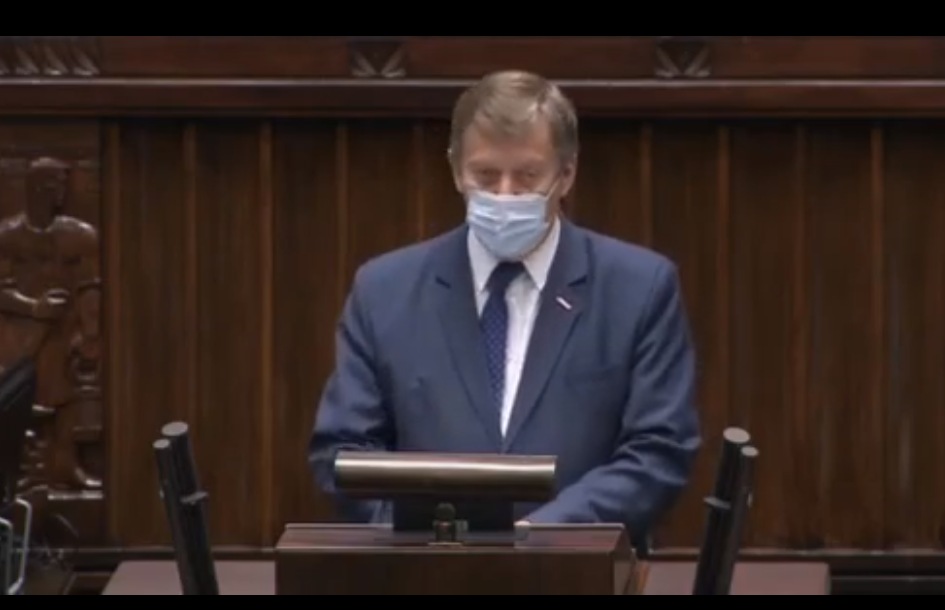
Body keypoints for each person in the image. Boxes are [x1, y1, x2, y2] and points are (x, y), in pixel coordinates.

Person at [308, 70, 701, 541]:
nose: (505, 195)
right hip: (424, 565)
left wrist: (537, 536)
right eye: (486, 176)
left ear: (567, 174)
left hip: (576, 567)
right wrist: (429, 539)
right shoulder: (384, 291)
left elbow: (658, 452)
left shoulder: (639, 289)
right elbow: (343, 451)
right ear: (456, 170)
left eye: (528, 177)